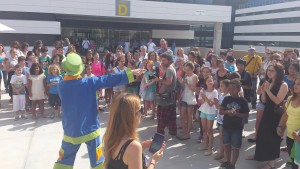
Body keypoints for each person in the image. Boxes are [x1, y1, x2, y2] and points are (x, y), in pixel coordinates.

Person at [52, 53, 143, 169]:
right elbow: (109, 79)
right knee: (98, 161)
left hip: (71, 131)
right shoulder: (89, 82)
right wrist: (130, 73)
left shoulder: (61, 86)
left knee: (63, 160)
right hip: (91, 130)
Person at [103, 93, 165, 169]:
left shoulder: (110, 137)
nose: (141, 114)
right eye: (140, 110)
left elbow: (123, 159)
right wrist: (154, 160)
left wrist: (144, 145)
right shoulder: (133, 146)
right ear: (131, 116)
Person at [249, 63, 289, 169]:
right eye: (268, 70)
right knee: (262, 134)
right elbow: (264, 101)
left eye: (272, 70)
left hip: (276, 115)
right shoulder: (269, 82)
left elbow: (277, 100)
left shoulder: (283, 85)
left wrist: (267, 90)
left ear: (278, 72)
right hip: (267, 112)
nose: (269, 72)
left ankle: (271, 163)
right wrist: (263, 92)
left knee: (272, 137)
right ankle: (259, 155)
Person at [219, 79, 250, 169]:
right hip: (226, 126)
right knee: (227, 144)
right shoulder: (226, 99)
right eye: (230, 89)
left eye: (233, 89)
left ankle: (233, 164)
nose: (231, 91)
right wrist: (228, 112)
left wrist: (237, 114)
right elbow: (221, 111)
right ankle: (228, 161)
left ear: (239, 89)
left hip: (237, 127)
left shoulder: (243, 101)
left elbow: (246, 114)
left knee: (236, 147)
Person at [277, 76, 300, 169]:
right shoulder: (290, 98)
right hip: (290, 137)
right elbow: (286, 115)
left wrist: (297, 135)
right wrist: (279, 126)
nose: (296, 86)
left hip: (298, 139)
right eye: (295, 83)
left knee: (297, 163)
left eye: (299, 84)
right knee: (294, 161)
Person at [154, 53, 177, 136]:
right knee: (170, 117)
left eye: (164, 60)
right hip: (168, 97)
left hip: (166, 97)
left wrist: (158, 80)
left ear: (169, 61)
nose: (162, 62)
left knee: (161, 118)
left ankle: (159, 136)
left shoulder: (169, 70)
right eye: (161, 60)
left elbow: (168, 82)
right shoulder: (169, 69)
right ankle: (172, 133)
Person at [177, 62, 198, 140]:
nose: (187, 71)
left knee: (189, 116)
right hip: (184, 96)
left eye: (188, 70)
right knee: (182, 115)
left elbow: (194, 89)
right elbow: (183, 86)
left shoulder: (194, 76)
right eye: (185, 70)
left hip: (191, 97)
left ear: (192, 69)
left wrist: (187, 83)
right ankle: (185, 130)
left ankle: (187, 133)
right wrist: (181, 81)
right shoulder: (186, 75)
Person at [198, 76, 218, 156]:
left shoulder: (215, 92)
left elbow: (210, 104)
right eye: (208, 81)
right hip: (203, 111)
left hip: (211, 112)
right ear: (205, 82)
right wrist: (205, 98)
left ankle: (210, 148)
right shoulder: (203, 90)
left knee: (209, 130)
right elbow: (202, 102)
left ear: (213, 82)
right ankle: (205, 145)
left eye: (211, 81)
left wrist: (205, 97)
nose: (209, 82)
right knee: (204, 129)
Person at [214, 79, 230, 162]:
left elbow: (225, 108)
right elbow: (218, 107)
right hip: (220, 119)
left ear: (227, 87)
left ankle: (227, 157)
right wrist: (216, 103)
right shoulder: (221, 94)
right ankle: (221, 153)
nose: (220, 87)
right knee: (221, 138)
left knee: (225, 139)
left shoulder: (228, 97)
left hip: (225, 120)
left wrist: (218, 104)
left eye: (222, 86)